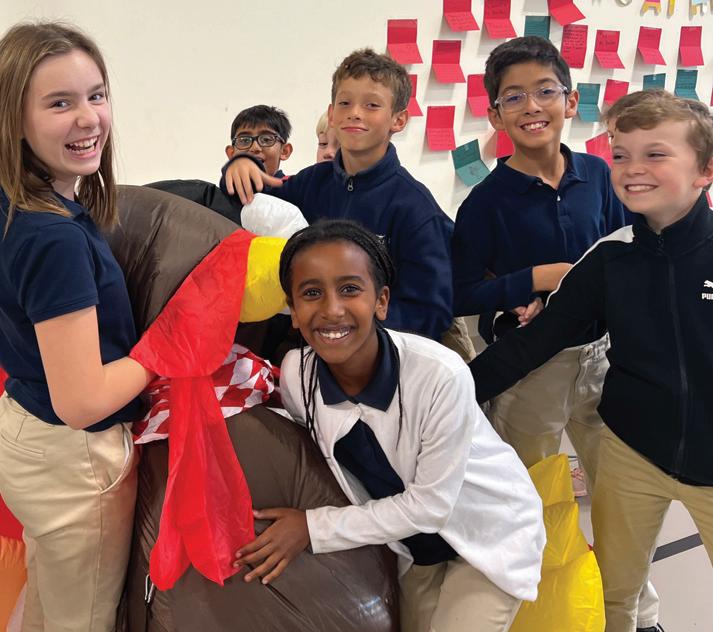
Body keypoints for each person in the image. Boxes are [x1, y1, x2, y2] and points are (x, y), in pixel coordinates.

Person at [469, 89, 713, 632]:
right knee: (614, 593)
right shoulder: (610, 257)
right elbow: (535, 342)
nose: (632, 168)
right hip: (633, 454)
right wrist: (446, 394)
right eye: (620, 155)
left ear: (705, 170)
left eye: (655, 154)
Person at [234, 219, 545, 632]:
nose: (331, 309)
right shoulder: (297, 375)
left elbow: (431, 507)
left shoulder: (439, 374)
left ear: (381, 301)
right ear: (292, 310)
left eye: (350, 289)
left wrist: (311, 527)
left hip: (486, 533)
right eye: (311, 293)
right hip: (414, 547)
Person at [0, 21, 154, 631]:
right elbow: (82, 400)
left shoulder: (20, 203)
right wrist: (166, 347)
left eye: (96, 95)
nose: (89, 118)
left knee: (48, 604)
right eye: (60, 103)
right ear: (15, 119)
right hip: (72, 459)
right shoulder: (52, 236)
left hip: (26, 432)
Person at [452, 36, 625, 491]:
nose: (531, 106)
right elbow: (460, 293)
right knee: (530, 492)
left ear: (570, 102)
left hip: (601, 357)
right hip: (531, 366)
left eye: (546, 91)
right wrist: (535, 280)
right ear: (495, 115)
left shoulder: (599, 176)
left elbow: (624, 254)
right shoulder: (484, 203)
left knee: (616, 485)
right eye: (513, 97)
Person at [221, 48, 453, 341]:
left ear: (398, 120)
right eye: (345, 103)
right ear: (332, 115)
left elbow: (432, 312)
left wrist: (354, 328)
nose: (355, 112)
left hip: (376, 349)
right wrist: (240, 164)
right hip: (310, 340)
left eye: (371, 105)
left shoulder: (414, 207)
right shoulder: (312, 181)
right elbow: (251, 197)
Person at [225, 104, 293, 178]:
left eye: (266, 139)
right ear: (232, 154)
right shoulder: (221, 185)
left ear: (284, 151)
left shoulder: (296, 184)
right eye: (244, 140)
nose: (255, 148)